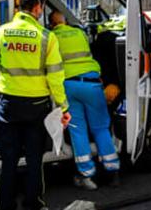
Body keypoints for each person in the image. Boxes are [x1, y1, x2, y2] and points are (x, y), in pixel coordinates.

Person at [0, 0, 71, 210]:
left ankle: (4, 206)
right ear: (38, 8)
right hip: (36, 107)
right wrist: (63, 106)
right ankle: (32, 204)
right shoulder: (47, 37)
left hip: (9, 104)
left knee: (8, 161)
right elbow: (55, 77)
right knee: (34, 160)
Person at [49, 10, 120, 191]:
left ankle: (86, 176)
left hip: (70, 86)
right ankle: (112, 171)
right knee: (101, 129)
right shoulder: (80, 33)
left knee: (78, 131)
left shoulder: (50, 36)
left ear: (51, 24)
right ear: (65, 21)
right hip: (92, 84)